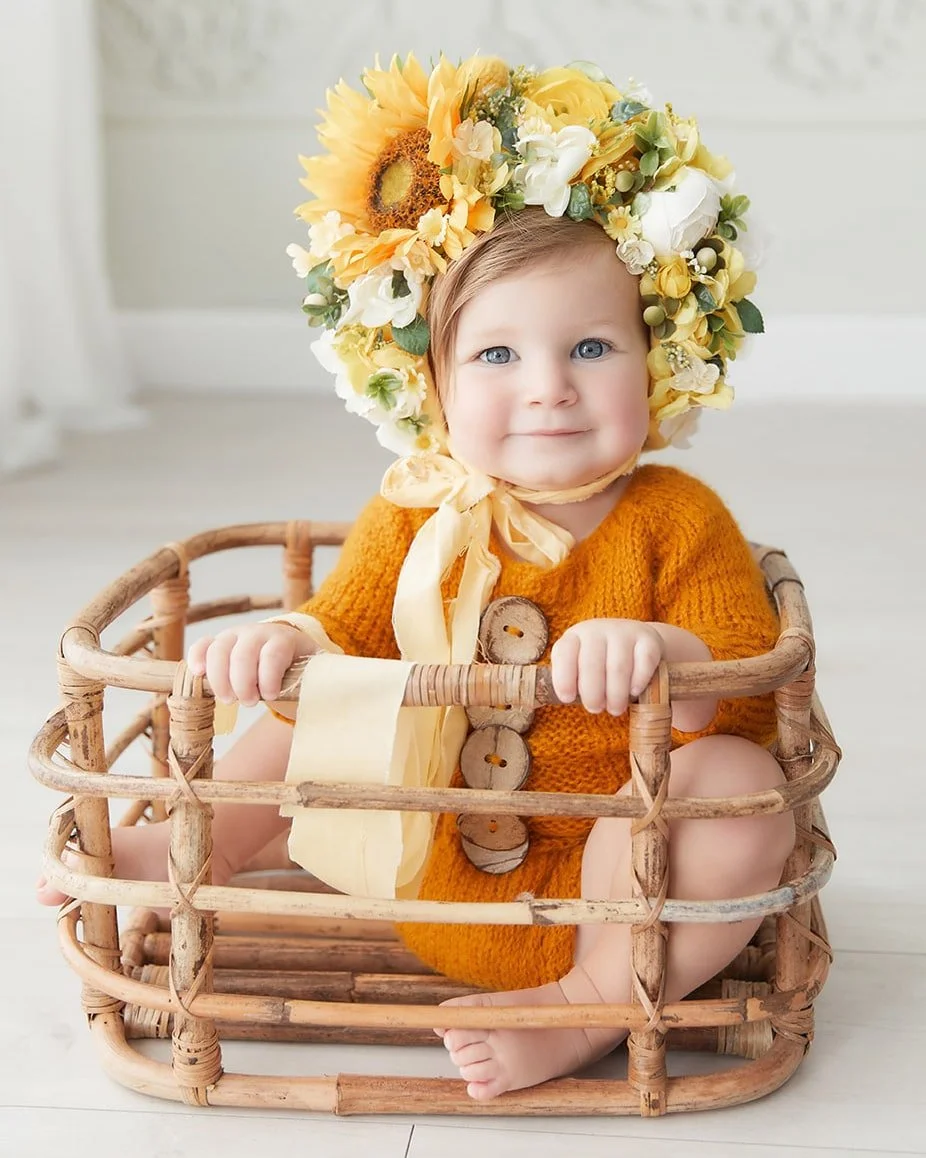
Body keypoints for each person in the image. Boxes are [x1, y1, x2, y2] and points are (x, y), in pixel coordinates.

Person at [39, 54, 795, 1101]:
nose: (547, 391)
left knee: (741, 797)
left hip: (616, 898)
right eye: (495, 358)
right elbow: (340, 624)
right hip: (418, 864)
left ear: (655, 358)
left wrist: (665, 656)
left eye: (588, 346)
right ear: (429, 385)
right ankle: (193, 845)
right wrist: (285, 643)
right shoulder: (419, 510)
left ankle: (587, 1008)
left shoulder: (678, 519)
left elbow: (752, 684)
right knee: (312, 706)